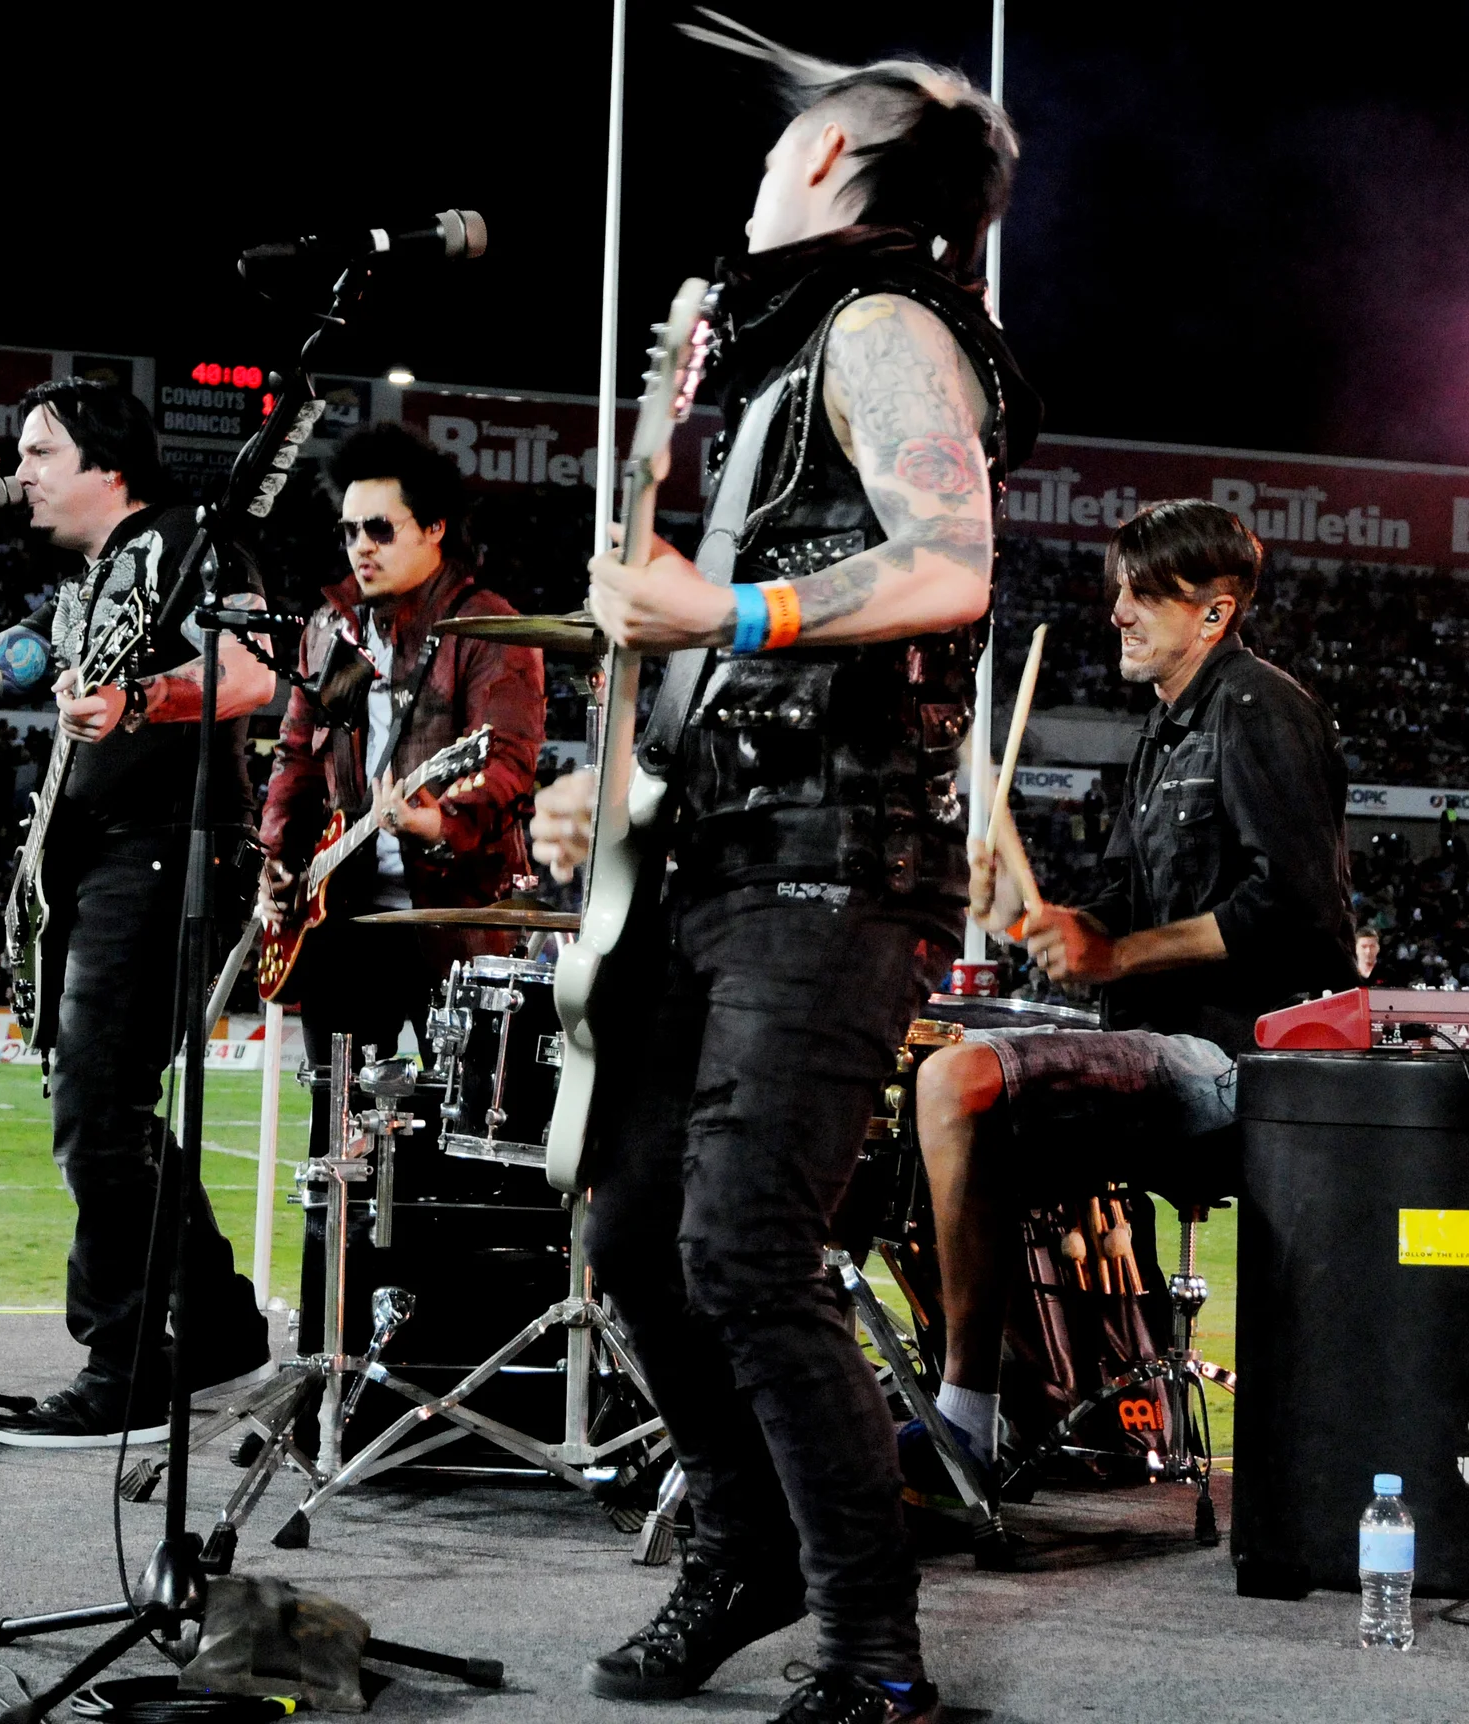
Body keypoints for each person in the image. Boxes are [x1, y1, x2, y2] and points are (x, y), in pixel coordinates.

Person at [530, 23, 1035, 1724]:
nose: (758, 171)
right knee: (630, 1224)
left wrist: (730, 608)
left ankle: (873, 1647)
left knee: (747, 1239)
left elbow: (953, 563)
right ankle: (743, 1540)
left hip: (835, 858)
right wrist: (608, 789)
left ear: (828, 157)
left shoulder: (886, 324)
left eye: (778, 145)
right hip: (722, 850)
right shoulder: (789, 354)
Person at [909, 500, 1357, 1497]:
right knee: (934, 1079)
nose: (1117, 611)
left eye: (1144, 594)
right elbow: (1114, 903)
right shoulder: (1162, 730)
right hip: (1161, 1038)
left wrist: (1117, 953)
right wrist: (1036, 917)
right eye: (1119, 590)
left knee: (954, 1084)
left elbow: (1295, 911)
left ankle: (964, 1425)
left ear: (1214, 613)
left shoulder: (1257, 709)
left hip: (1235, 1058)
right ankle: (1013, 1405)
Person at [0, 378, 275, 1447]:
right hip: (91, 860)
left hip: (165, 847)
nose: (19, 472)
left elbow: (253, 674)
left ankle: (122, 1367)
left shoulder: (190, 541)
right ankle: (217, 1326)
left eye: (40, 453)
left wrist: (142, 699)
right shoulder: (82, 591)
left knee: (95, 1108)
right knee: (112, 1110)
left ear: (107, 464)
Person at [256, 423, 545, 1146]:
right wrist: (277, 859)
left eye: (380, 528)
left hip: (457, 918)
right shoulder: (330, 629)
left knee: (469, 1135)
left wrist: (438, 824)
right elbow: (296, 759)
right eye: (349, 530)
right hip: (342, 917)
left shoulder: (491, 628)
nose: (361, 546)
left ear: (435, 528)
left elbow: (508, 764)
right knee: (338, 1139)